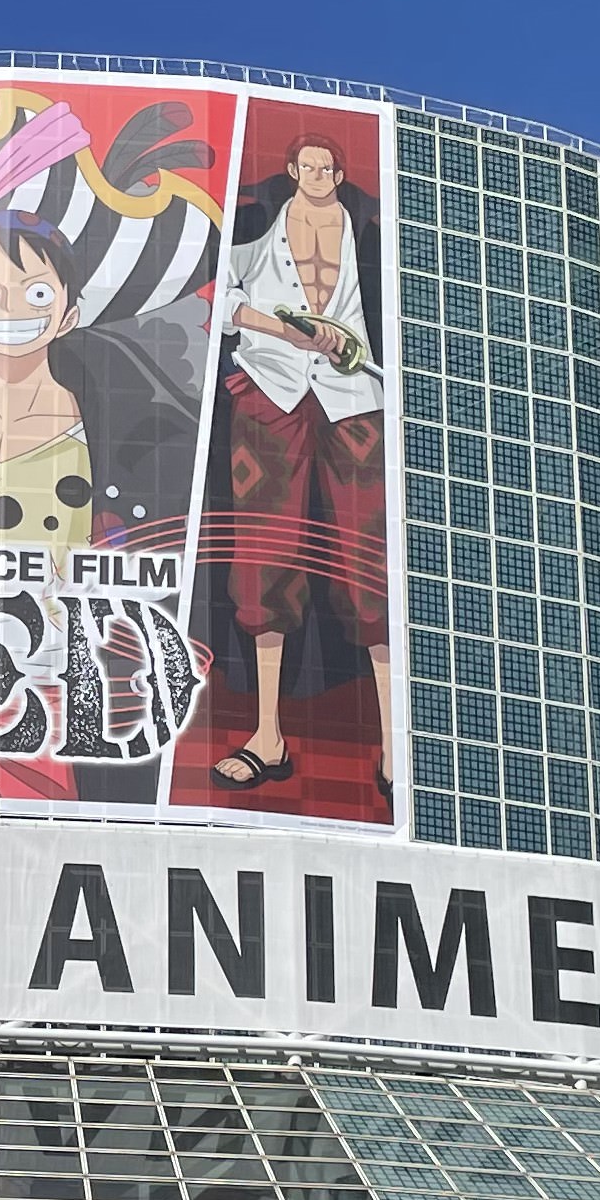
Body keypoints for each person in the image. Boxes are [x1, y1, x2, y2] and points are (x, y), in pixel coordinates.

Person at [203, 130, 392, 803]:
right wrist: (283, 329)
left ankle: (397, 748)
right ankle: (267, 735)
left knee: (370, 557)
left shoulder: (373, 224)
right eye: (306, 165)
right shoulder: (255, 219)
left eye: (327, 167)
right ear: (291, 169)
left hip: (356, 395)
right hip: (270, 387)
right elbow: (214, 297)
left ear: (341, 173)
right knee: (264, 555)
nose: (317, 174)